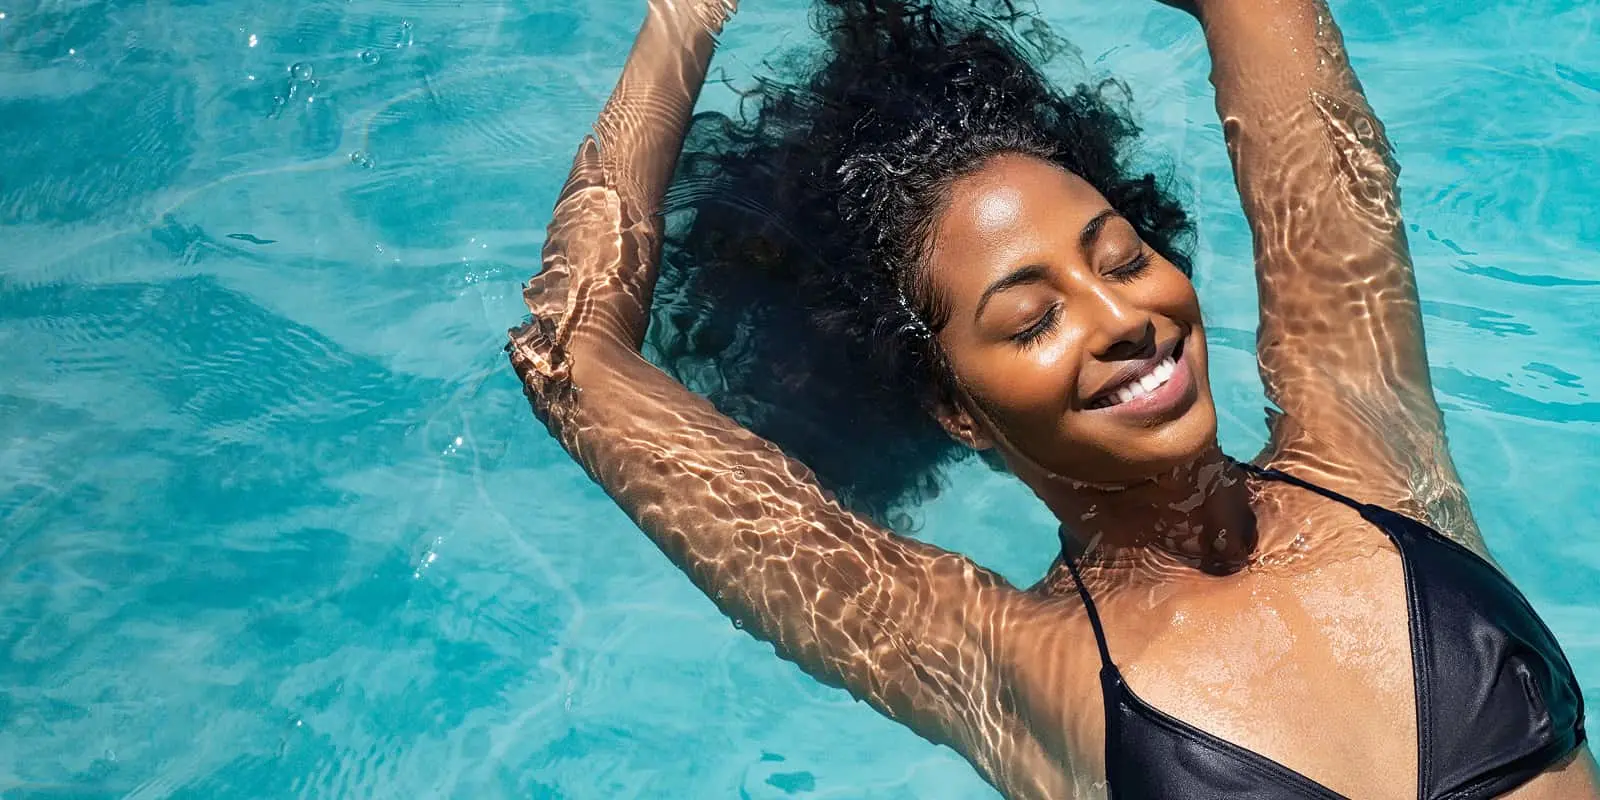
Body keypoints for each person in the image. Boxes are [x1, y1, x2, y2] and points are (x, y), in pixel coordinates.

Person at [506, 0, 1595, 796]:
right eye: (1030, 319)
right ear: (957, 409)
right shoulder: (1004, 659)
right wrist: (684, 14)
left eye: (1122, 259)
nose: (1121, 316)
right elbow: (571, 358)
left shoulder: (1365, 446)